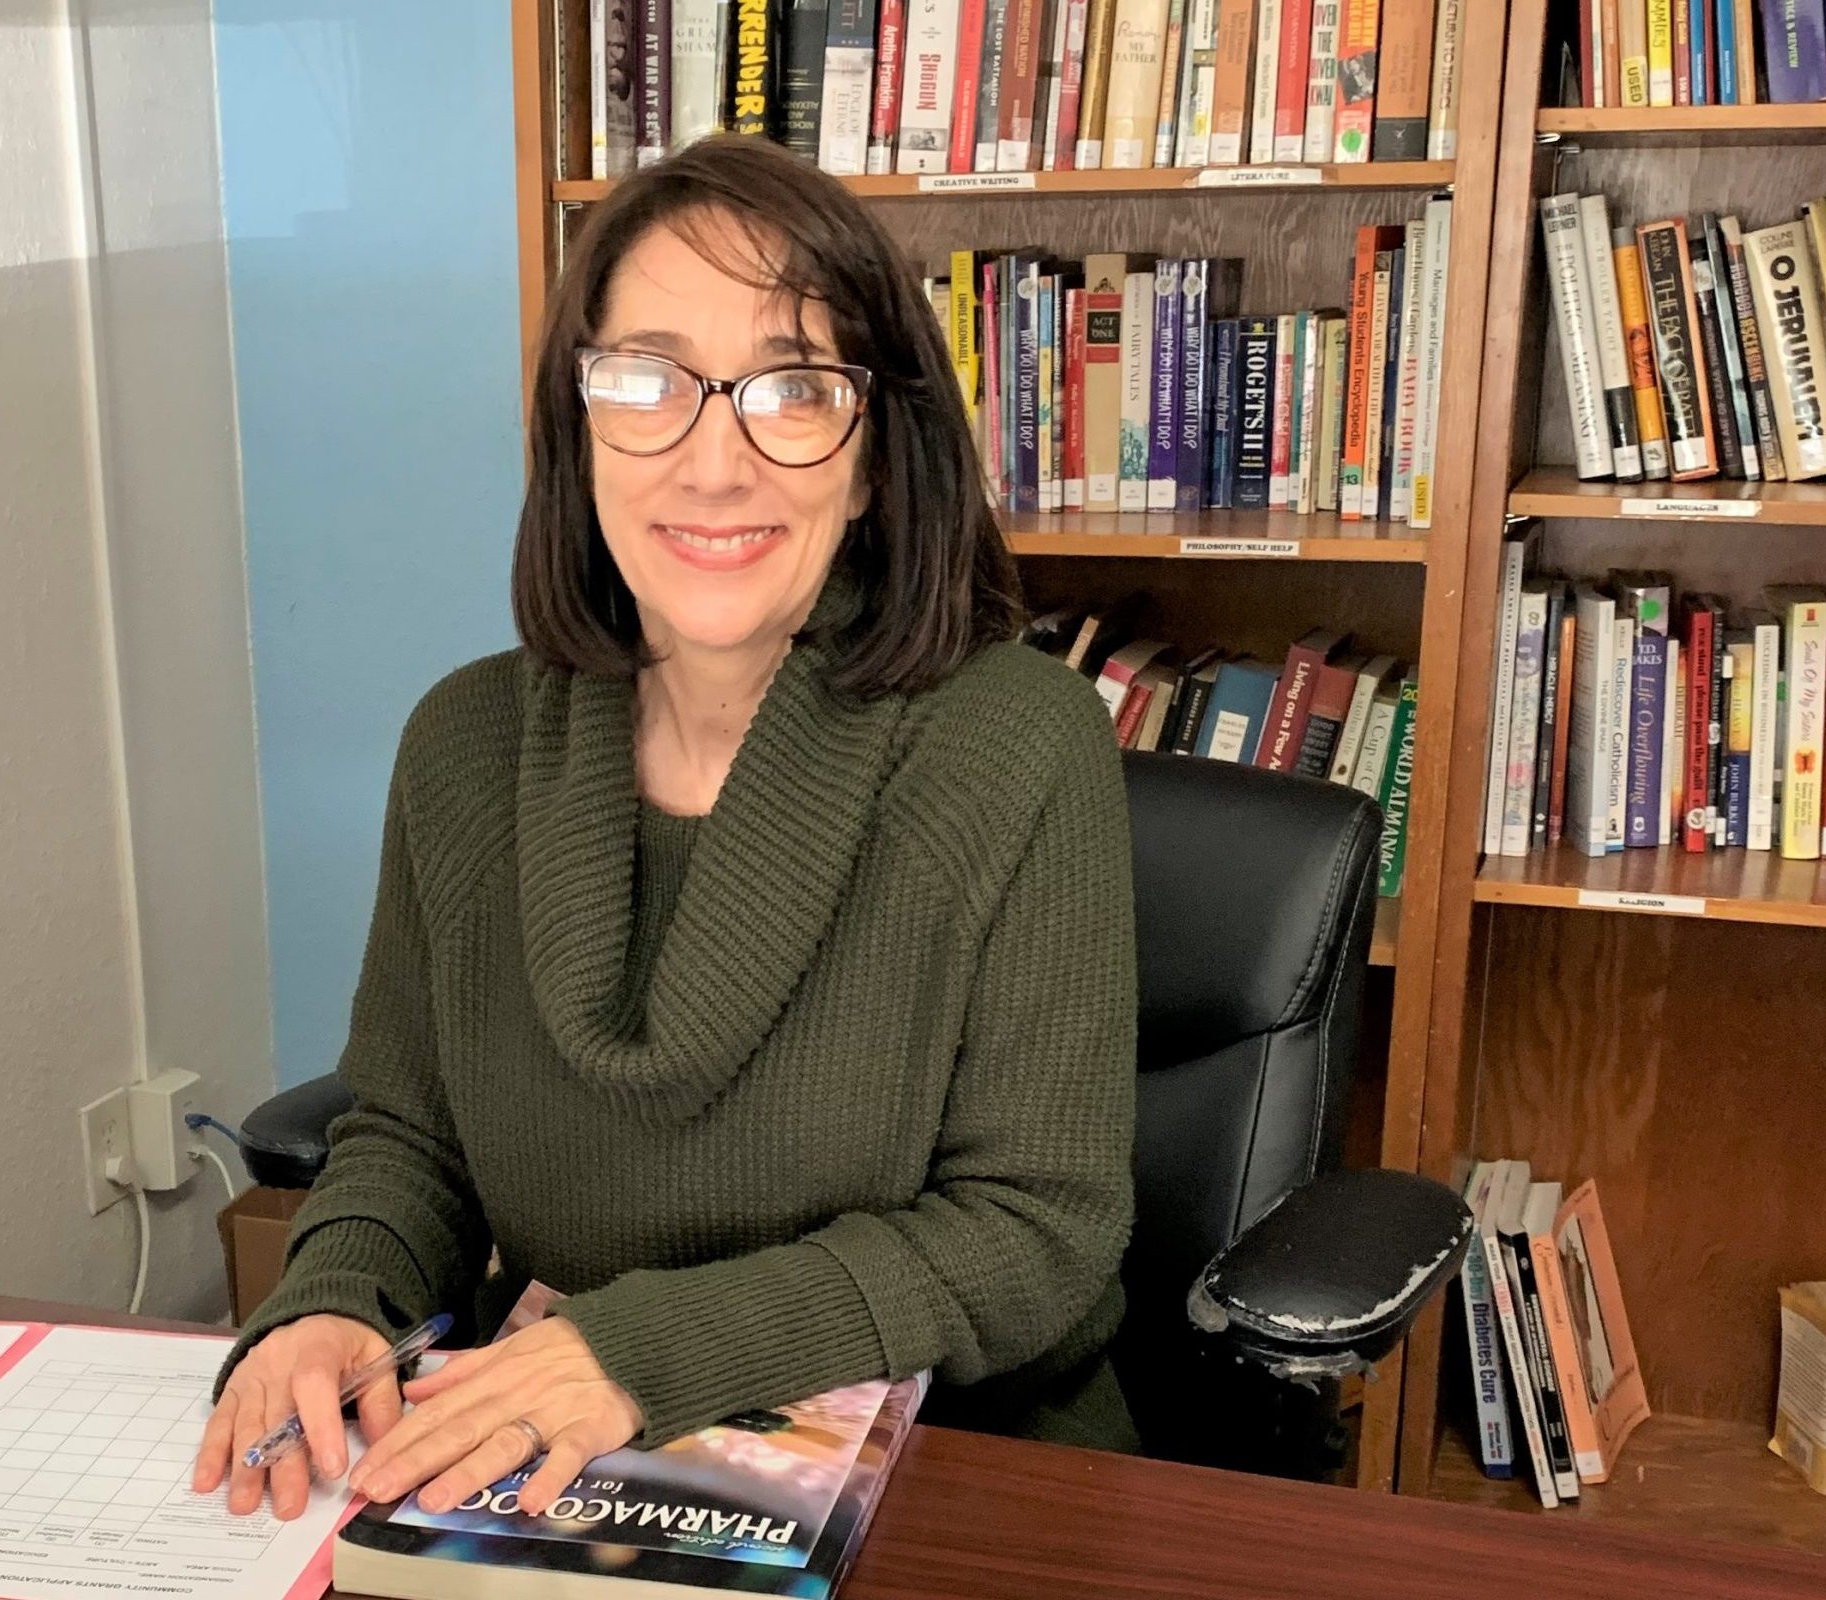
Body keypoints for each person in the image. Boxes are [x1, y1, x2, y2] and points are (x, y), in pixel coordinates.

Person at [191, 135, 1136, 1524]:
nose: (715, 461)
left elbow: (1036, 1236)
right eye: (647, 382)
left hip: (956, 1470)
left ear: (874, 460)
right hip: (570, 1455)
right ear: (580, 433)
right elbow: (413, 1139)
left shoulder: (1013, 745)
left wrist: (637, 1352)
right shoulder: (465, 746)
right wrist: (335, 1299)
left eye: (793, 389)